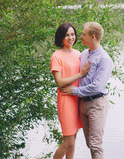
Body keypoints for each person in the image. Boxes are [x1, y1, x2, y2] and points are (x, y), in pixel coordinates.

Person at [61, 22, 113, 159]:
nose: (81, 36)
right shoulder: (83, 54)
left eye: (84, 34)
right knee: (90, 144)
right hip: (82, 104)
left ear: (93, 37)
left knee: (96, 145)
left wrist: (74, 91)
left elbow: (97, 86)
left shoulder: (105, 59)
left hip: (96, 104)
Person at [50, 22, 91, 159]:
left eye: (72, 34)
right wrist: (80, 75)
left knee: (73, 141)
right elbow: (60, 82)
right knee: (68, 143)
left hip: (77, 99)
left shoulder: (78, 54)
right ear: (61, 37)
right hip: (66, 100)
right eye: (67, 35)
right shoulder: (57, 56)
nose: (70, 38)